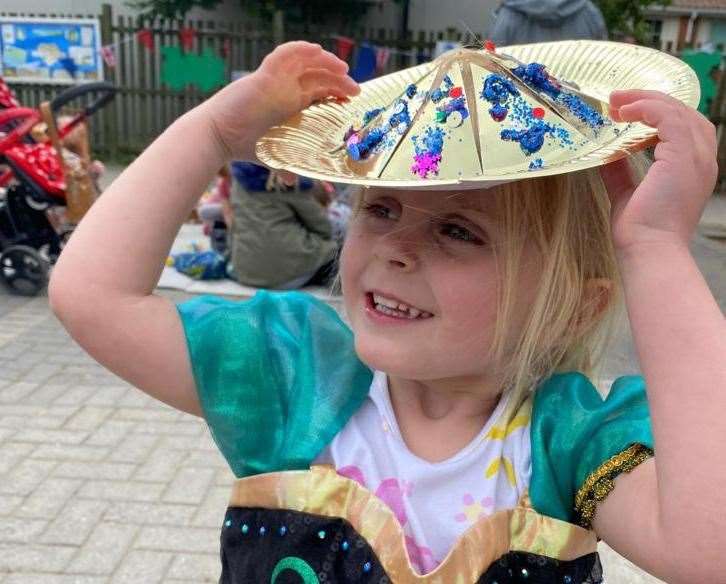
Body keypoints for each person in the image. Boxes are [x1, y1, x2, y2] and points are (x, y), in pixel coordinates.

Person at [48, 41, 725, 582]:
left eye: (460, 231)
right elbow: (93, 296)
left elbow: (708, 550)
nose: (395, 249)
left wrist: (657, 249)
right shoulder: (297, 377)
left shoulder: (566, 445)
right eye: (382, 208)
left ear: (575, 307)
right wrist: (212, 134)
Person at [225, 161, 338, 288]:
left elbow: (235, 224)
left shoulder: (238, 181)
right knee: (335, 251)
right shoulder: (287, 179)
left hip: (245, 271)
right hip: (289, 273)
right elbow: (322, 226)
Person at [488, 0, 607, 46]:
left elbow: (492, 65)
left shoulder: (508, 15)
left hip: (523, 98)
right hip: (582, 98)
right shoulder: (589, 11)